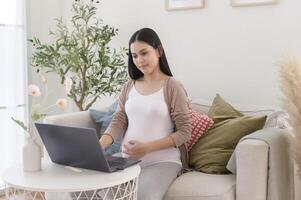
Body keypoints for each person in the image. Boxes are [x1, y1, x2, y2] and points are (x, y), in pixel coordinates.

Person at [99, 27, 192, 200]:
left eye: (144, 53)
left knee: (142, 197)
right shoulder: (129, 86)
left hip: (163, 162)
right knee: (89, 186)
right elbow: (119, 120)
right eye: (134, 56)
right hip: (126, 160)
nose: (139, 60)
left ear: (159, 50)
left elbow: (185, 132)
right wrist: (100, 144)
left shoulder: (173, 86)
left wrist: (147, 148)